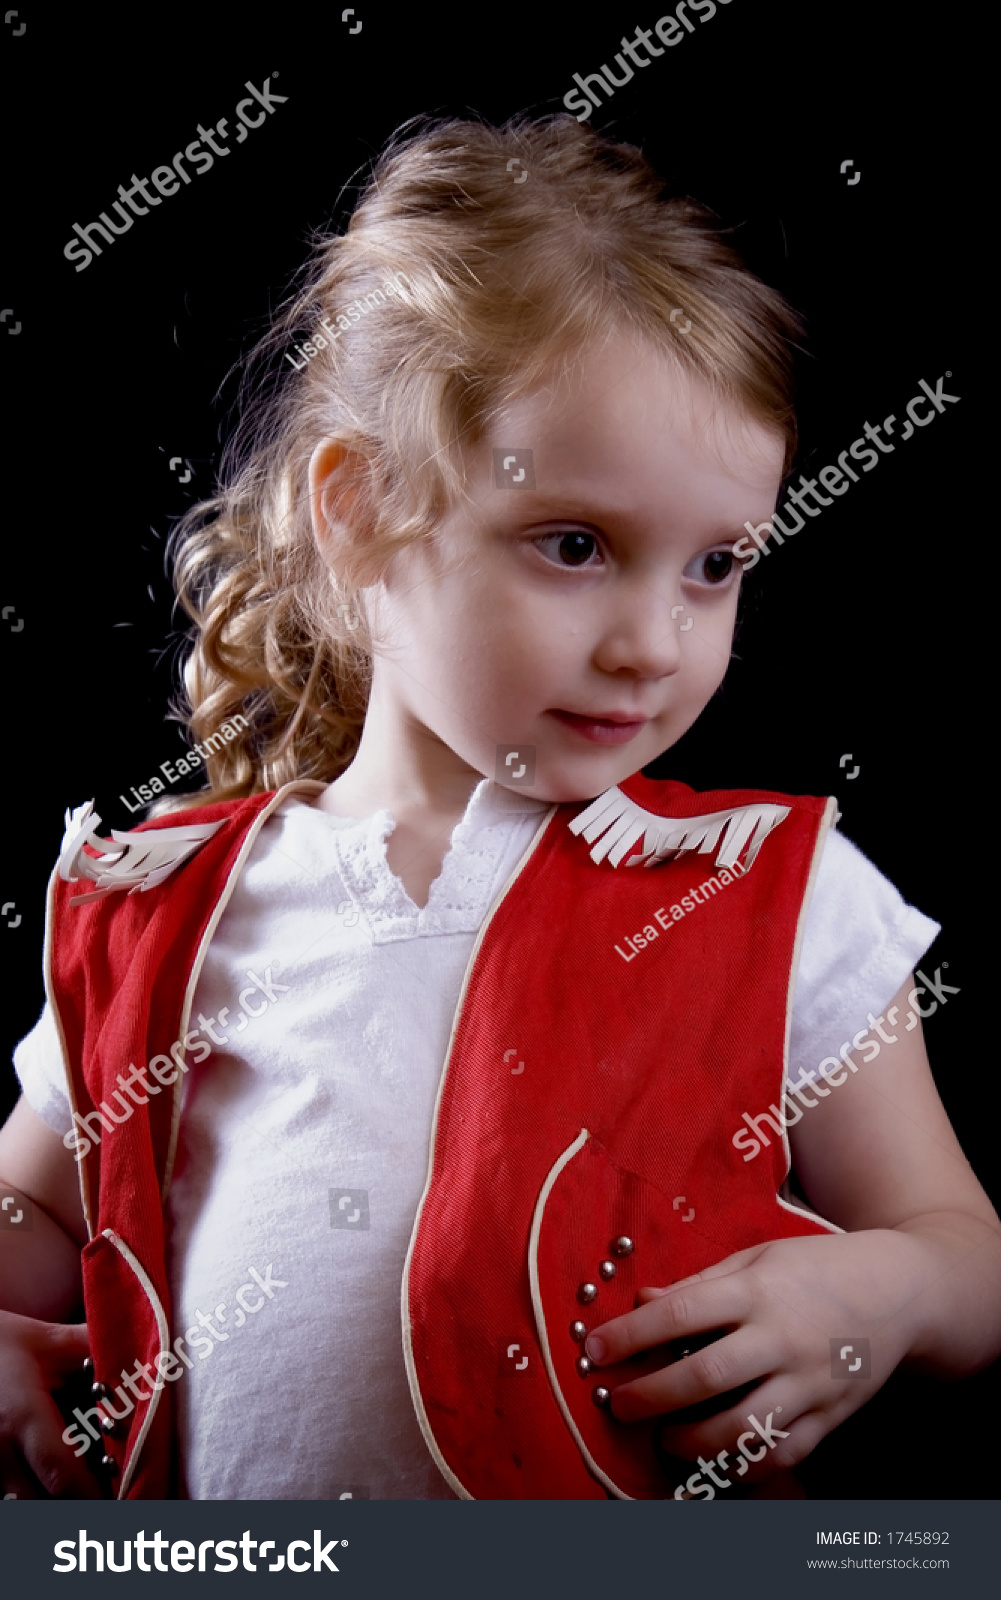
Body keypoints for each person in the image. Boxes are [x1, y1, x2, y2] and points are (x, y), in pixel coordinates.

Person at [1, 114, 998, 1503]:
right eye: (575, 547)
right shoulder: (151, 915)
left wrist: (879, 1293)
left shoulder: (766, 888)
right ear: (358, 513)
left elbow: (960, 1252)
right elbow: (38, 1213)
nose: (654, 640)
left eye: (712, 567)